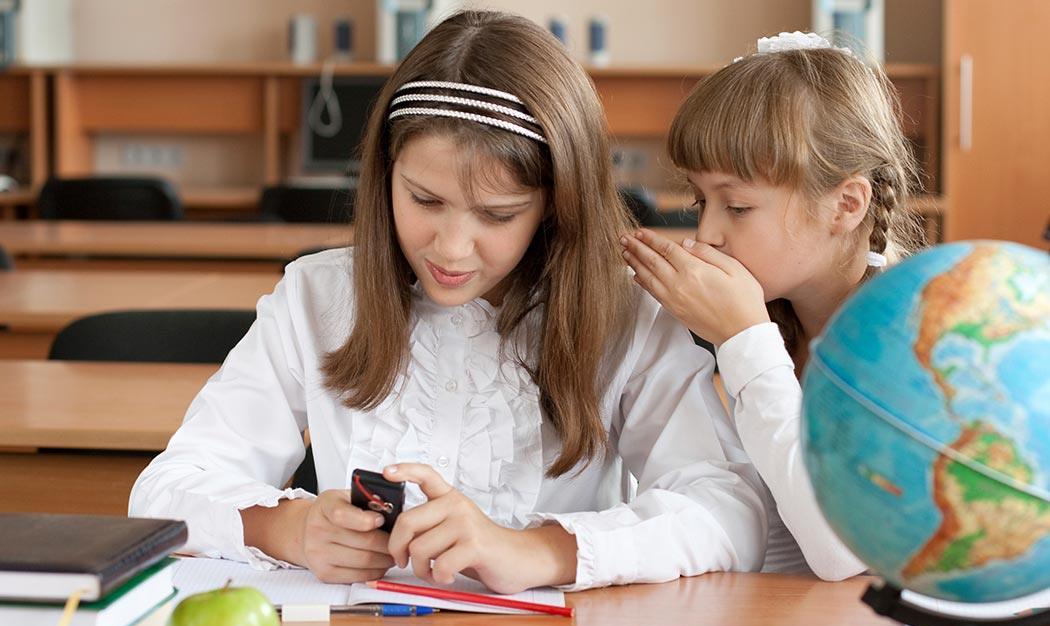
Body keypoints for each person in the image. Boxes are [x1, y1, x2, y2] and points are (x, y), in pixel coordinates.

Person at [129, 11, 768, 594]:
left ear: (555, 208)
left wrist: (535, 551)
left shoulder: (625, 316)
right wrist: (286, 528)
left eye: (498, 214)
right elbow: (162, 493)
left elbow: (729, 510)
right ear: (385, 175)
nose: (453, 249)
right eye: (425, 200)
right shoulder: (316, 298)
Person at [622, 32, 926, 580]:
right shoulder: (776, 316)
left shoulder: (906, 340)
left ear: (846, 205)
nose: (707, 232)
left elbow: (839, 554)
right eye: (700, 200)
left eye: (736, 206)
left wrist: (744, 340)